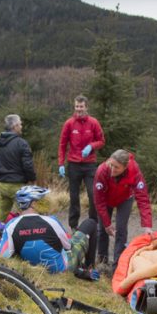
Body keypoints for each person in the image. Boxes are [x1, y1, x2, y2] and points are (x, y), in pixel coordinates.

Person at [0, 186, 98, 275]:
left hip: (33, 269)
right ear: (34, 204)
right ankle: (89, 267)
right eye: (42, 201)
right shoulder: (51, 221)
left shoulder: (11, 226)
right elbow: (68, 246)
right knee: (90, 223)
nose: (45, 203)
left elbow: (3, 255)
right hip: (62, 269)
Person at [93, 149, 153, 266]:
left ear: (125, 167)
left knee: (121, 229)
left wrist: (147, 225)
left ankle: (118, 263)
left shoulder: (134, 170)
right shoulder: (101, 171)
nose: (112, 169)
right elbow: (99, 201)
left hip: (125, 198)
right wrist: (107, 223)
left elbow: (143, 198)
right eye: (111, 164)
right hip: (105, 199)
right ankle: (102, 261)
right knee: (103, 229)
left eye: (116, 167)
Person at [58, 95, 106, 231]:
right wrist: (61, 164)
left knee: (93, 194)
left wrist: (91, 146)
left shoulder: (93, 122)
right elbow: (62, 144)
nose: (78, 109)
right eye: (77, 106)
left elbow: (102, 141)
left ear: (86, 107)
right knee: (74, 197)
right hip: (73, 164)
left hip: (89, 164)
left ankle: (93, 223)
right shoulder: (69, 123)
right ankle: (73, 225)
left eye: (81, 106)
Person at [0, 114, 36, 221]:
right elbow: (28, 165)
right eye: (20, 124)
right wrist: (32, 180)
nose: (21, 126)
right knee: (26, 215)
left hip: (2, 186)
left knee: (1, 215)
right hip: (17, 186)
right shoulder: (22, 143)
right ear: (15, 126)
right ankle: (24, 236)